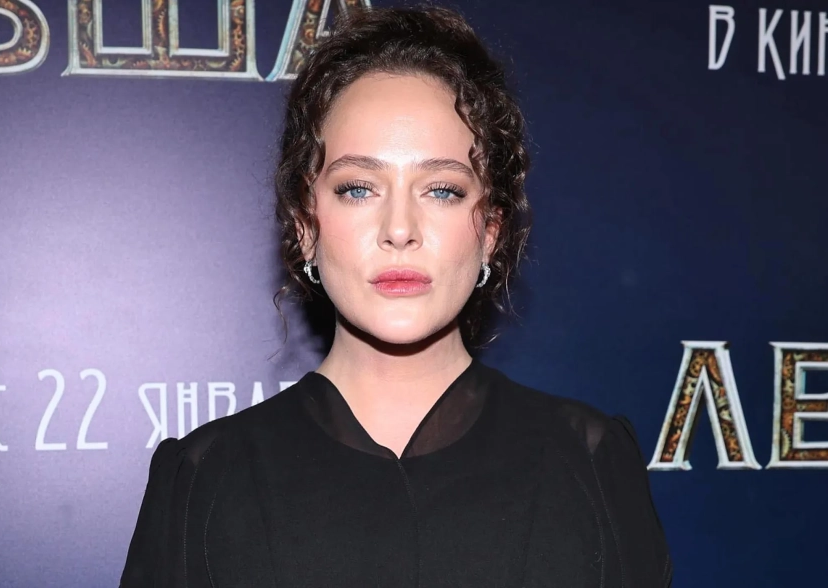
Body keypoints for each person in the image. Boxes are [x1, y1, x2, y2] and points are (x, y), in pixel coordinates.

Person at [120, 6, 671, 587]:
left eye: (442, 190)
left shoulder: (589, 462)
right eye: (359, 188)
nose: (400, 229)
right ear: (305, 225)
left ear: (490, 230)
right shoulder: (205, 479)